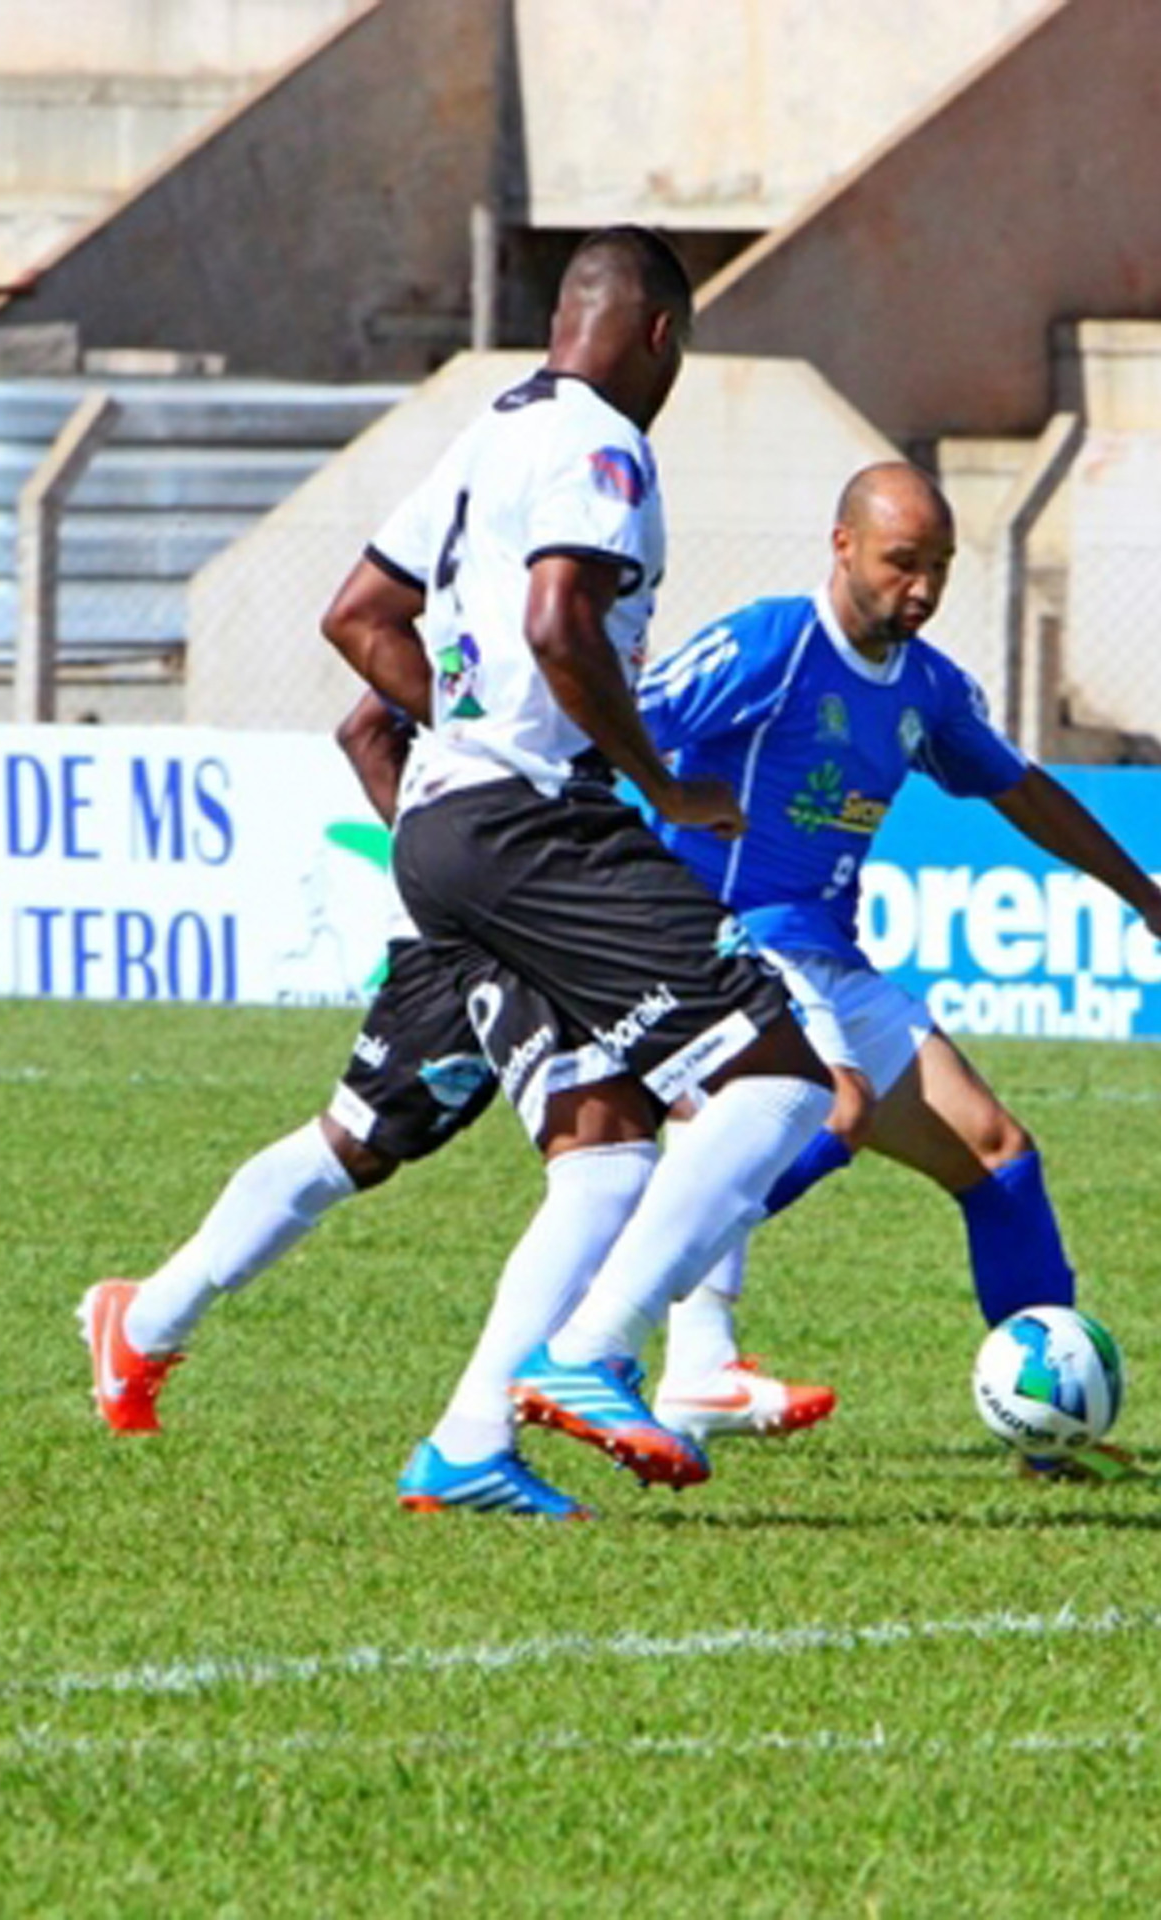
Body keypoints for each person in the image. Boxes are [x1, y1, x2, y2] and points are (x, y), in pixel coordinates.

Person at [319, 225, 835, 1515]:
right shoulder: (605, 440)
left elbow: (355, 616)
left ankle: (465, 1446)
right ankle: (594, 1352)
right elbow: (559, 623)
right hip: (535, 825)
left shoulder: (489, 431)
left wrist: (466, 717)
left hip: (442, 827)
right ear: (660, 333)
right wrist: (657, 782)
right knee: (778, 1079)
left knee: (603, 1151)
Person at [77, 697, 822, 1510]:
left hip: (525, 898)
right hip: (481, 906)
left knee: (625, 1148)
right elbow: (363, 723)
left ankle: (494, 1431)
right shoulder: (516, 605)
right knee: (367, 1141)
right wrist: (460, 876)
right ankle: (149, 1320)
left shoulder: (559, 620)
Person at [633, 462, 1161, 1478]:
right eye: (904, 562)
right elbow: (625, 728)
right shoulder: (769, 644)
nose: (923, 588)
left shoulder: (928, 687)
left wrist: (1147, 898)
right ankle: (638, 1302)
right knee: (834, 1111)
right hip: (724, 937)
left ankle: (1049, 1426)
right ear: (842, 544)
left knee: (997, 1153)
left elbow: (1023, 793)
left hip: (826, 953)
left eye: (939, 566)